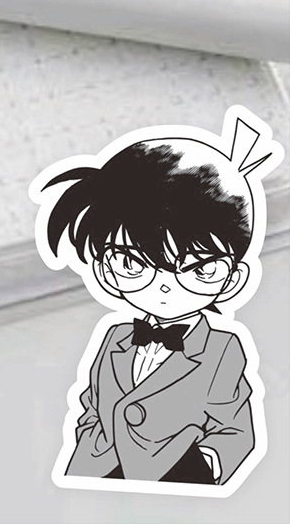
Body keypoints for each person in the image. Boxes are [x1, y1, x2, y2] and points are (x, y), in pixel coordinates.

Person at [35, 114, 278, 490]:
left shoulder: (222, 349)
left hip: (179, 481)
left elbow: (235, 429)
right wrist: (85, 454)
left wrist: (201, 469)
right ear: (104, 269)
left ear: (232, 278)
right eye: (133, 263)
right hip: (94, 477)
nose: (164, 286)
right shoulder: (115, 337)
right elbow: (91, 405)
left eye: (198, 269)